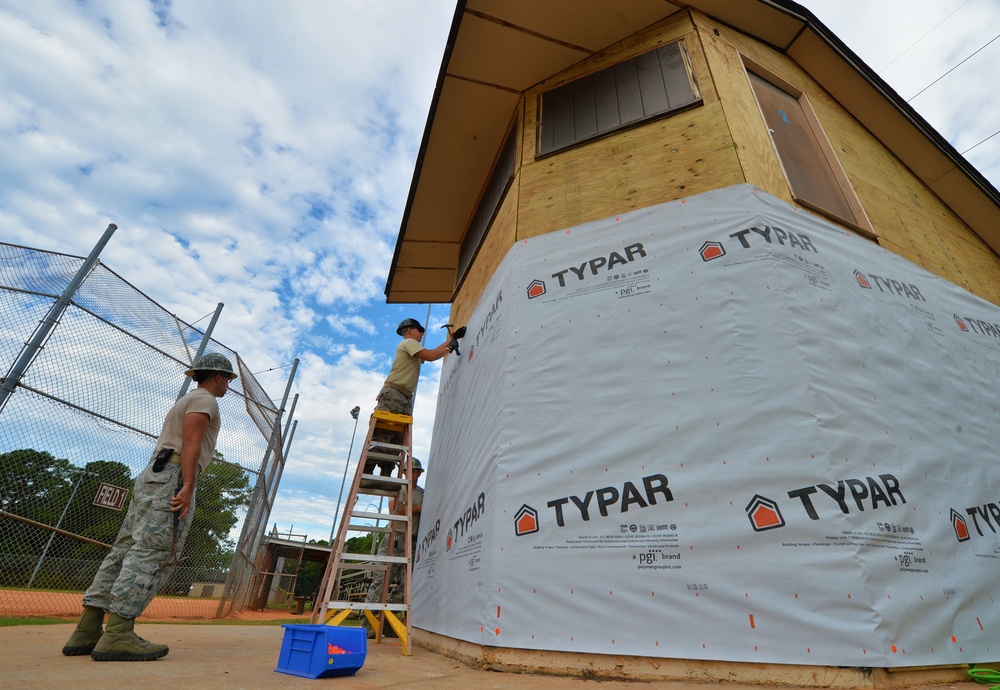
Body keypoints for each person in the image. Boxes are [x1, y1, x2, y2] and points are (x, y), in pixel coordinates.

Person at [61, 353, 237, 661]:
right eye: (228, 381)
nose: (227, 387)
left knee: (126, 547)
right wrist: (188, 485)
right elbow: (192, 442)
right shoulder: (206, 401)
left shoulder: (187, 398)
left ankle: (88, 629)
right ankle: (118, 634)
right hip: (173, 477)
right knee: (152, 551)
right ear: (218, 377)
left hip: (154, 476)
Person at [367, 318, 457, 476]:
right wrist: (450, 347)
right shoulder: (408, 343)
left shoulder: (411, 347)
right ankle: (367, 471)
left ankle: (386, 473)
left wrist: (452, 339)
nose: (422, 332)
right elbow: (430, 355)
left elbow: (431, 352)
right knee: (383, 434)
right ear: (409, 330)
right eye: (419, 329)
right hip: (394, 394)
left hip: (402, 396)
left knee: (397, 437)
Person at [363, 458, 424, 637]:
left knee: (407, 587)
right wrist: (418, 508)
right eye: (410, 471)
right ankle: (367, 625)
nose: (413, 474)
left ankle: (387, 618)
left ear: (420, 473)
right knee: (380, 582)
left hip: (412, 543)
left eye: (416, 471)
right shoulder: (399, 489)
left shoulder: (423, 493)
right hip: (394, 540)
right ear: (404, 472)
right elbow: (396, 512)